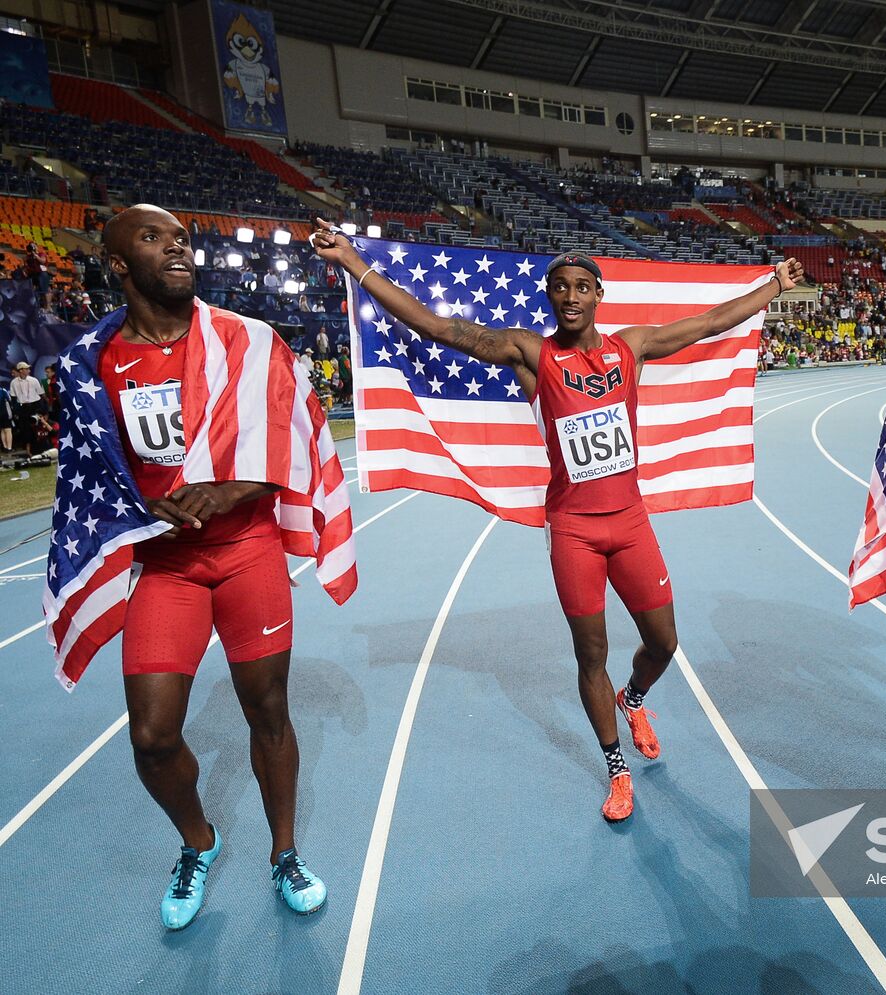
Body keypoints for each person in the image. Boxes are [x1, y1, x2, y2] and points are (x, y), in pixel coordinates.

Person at [312, 221, 803, 821]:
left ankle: (633, 698)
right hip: (574, 531)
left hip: (630, 523)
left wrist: (774, 286)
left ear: (599, 296)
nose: (570, 296)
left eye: (581, 287)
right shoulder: (532, 353)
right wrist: (354, 263)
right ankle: (617, 770)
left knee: (664, 642)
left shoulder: (630, 348)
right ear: (550, 296)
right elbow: (440, 328)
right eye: (560, 287)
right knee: (590, 654)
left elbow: (708, 323)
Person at [76, 205, 346, 929]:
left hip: (246, 551)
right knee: (152, 736)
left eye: (182, 238)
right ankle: (198, 841)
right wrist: (138, 505)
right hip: (167, 567)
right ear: (117, 264)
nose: (177, 248)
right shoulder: (94, 364)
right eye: (153, 238)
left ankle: (284, 852)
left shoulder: (247, 341)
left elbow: (291, 437)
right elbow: (94, 472)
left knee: (268, 711)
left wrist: (227, 492)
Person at [8, 361, 44, 454]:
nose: (29, 370)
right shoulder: (14, 382)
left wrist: (41, 409)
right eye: (26, 369)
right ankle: (28, 451)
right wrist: (16, 411)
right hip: (23, 407)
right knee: (25, 430)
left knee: (36, 427)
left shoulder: (34, 380)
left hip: (34, 405)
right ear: (21, 370)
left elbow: (40, 394)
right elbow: (13, 398)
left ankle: (38, 449)